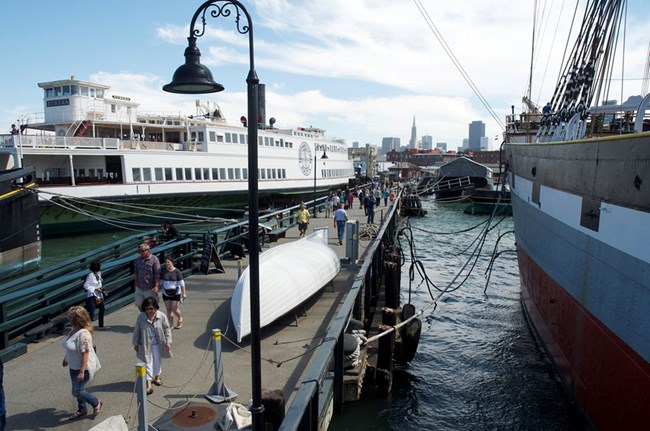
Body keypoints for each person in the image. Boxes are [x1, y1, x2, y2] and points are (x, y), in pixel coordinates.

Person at [61, 306, 102, 421]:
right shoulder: (72, 330)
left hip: (82, 367)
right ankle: (82, 409)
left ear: (76, 319)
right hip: (73, 366)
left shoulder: (83, 334)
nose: (68, 318)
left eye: (70, 317)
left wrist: (82, 371)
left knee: (76, 391)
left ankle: (96, 402)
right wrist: (66, 359)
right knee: (79, 389)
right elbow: (70, 347)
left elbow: (85, 354)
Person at [132, 297, 172, 395]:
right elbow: (137, 330)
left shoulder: (161, 316)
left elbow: (167, 329)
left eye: (151, 308)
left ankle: (157, 376)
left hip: (158, 344)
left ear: (155, 308)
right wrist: (136, 343)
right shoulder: (141, 317)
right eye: (147, 309)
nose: (149, 311)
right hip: (146, 344)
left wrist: (168, 341)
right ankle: (149, 385)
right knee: (148, 363)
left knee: (157, 361)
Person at [161, 257, 186, 329]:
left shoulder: (177, 271)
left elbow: (182, 283)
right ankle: (170, 325)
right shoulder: (163, 271)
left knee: (174, 309)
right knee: (168, 309)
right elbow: (161, 281)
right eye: (166, 262)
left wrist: (184, 293)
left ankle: (180, 318)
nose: (167, 264)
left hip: (176, 293)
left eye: (168, 262)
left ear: (172, 262)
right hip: (165, 292)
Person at [134, 243, 161, 309]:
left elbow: (157, 274)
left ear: (148, 250)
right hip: (139, 286)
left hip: (149, 287)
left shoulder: (154, 259)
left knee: (152, 305)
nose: (141, 252)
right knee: (139, 304)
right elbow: (136, 273)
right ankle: (144, 317)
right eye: (140, 251)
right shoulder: (138, 259)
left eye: (142, 251)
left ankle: (153, 318)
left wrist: (156, 286)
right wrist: (135, 284)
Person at [83, 260, 107, 330]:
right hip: (92, 296)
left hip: (99, 295)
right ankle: (86, 327)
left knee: (102, 309)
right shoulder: (90, 275)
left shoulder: (99, 274)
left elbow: (99, 283)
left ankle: (101, 325)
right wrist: (95, 289)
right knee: (92, 312)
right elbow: (86, 286)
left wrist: (102, 290)